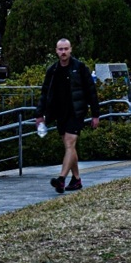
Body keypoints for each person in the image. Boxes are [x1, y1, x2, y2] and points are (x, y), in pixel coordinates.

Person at [35, 38, 100, 194]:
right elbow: (44, 93)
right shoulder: (53, 70)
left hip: (76, 112)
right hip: (59, 113)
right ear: (56, 51)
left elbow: (91, 91)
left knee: (70, 143)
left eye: (66, 49)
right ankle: (76, 179)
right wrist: (39, 114)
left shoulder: (80, 67)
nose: (63, 52)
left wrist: (95, 114)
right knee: (69, 147)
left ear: (71, 49)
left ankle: (61, 179)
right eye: (60, 49)